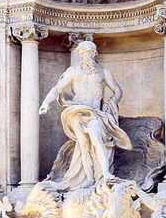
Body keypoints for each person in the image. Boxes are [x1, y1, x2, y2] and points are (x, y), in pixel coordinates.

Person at [38, 38, 132, 190]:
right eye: (82, 53)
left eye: (87, 53)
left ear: (94, 53)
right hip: (77, 110)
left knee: (95, 137)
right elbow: (57, 89)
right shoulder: (73, 71)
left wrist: (111, 103)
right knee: (83, 144)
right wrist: (46, 102)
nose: (84, 56)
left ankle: (105, 173)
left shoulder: (103, 72)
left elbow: (117, 90)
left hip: (95, 112)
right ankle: (88, 178)